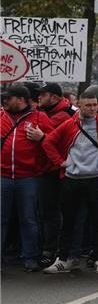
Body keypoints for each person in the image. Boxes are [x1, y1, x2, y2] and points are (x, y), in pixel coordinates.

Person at [41, 88, 98, 274]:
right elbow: (48, 142)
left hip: (95, 178)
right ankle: (64, 258)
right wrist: (60, 162)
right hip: (72, 179)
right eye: (88, 105)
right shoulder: (69, 123)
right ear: (79, 105)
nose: (92, 109)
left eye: (94, 105)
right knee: (69, 220)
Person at [1, 83, 53, 271]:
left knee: (28, 218)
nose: (5, 101)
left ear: (21, 100)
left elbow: (53, 143)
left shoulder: (40, 117)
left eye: (9, 98)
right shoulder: (1, 116)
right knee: (1, 218)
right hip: (3, 176)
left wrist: (42, 138)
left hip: (28, 177)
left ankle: (30, 257)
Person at [36, 82, 74, 265]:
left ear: (55, 97)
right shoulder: (46, 113)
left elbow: (51, 138)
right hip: (45, 169)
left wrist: (42, 135)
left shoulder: (62, 115)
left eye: (43, 94)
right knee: (47, 212)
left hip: (56, 170)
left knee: (52, 212)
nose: (39, 97)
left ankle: (51, 250)